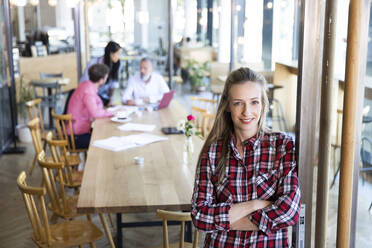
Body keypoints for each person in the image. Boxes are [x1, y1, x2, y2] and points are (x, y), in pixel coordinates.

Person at [191, 67, 301, 247]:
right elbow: (200, 216)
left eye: (254, 102)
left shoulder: (282, 146)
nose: (246, 112)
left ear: (263, 104)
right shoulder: (212, 152)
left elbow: (289, 212)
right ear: (227, 106)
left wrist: (225, 222)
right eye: (238, 103)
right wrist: (255, 204)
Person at [67, 64, 113, 149]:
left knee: (105, 135)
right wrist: (112, 112)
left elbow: (95, 108)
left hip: (76, 131)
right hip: (75, 136)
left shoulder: (85, 85)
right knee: (104, 141)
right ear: (101, 80)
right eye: (106, 77)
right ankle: (97, 162)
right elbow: (95, 113)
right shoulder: (89, 91)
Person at [80, 41, 122, 106]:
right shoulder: (93, 63)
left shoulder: (117, 65)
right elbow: (84, 82)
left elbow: (113, 85)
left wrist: (111, 100)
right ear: (111, 53)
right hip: (91, 95)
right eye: (118, 54)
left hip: (104, 97)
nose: (119, 57)